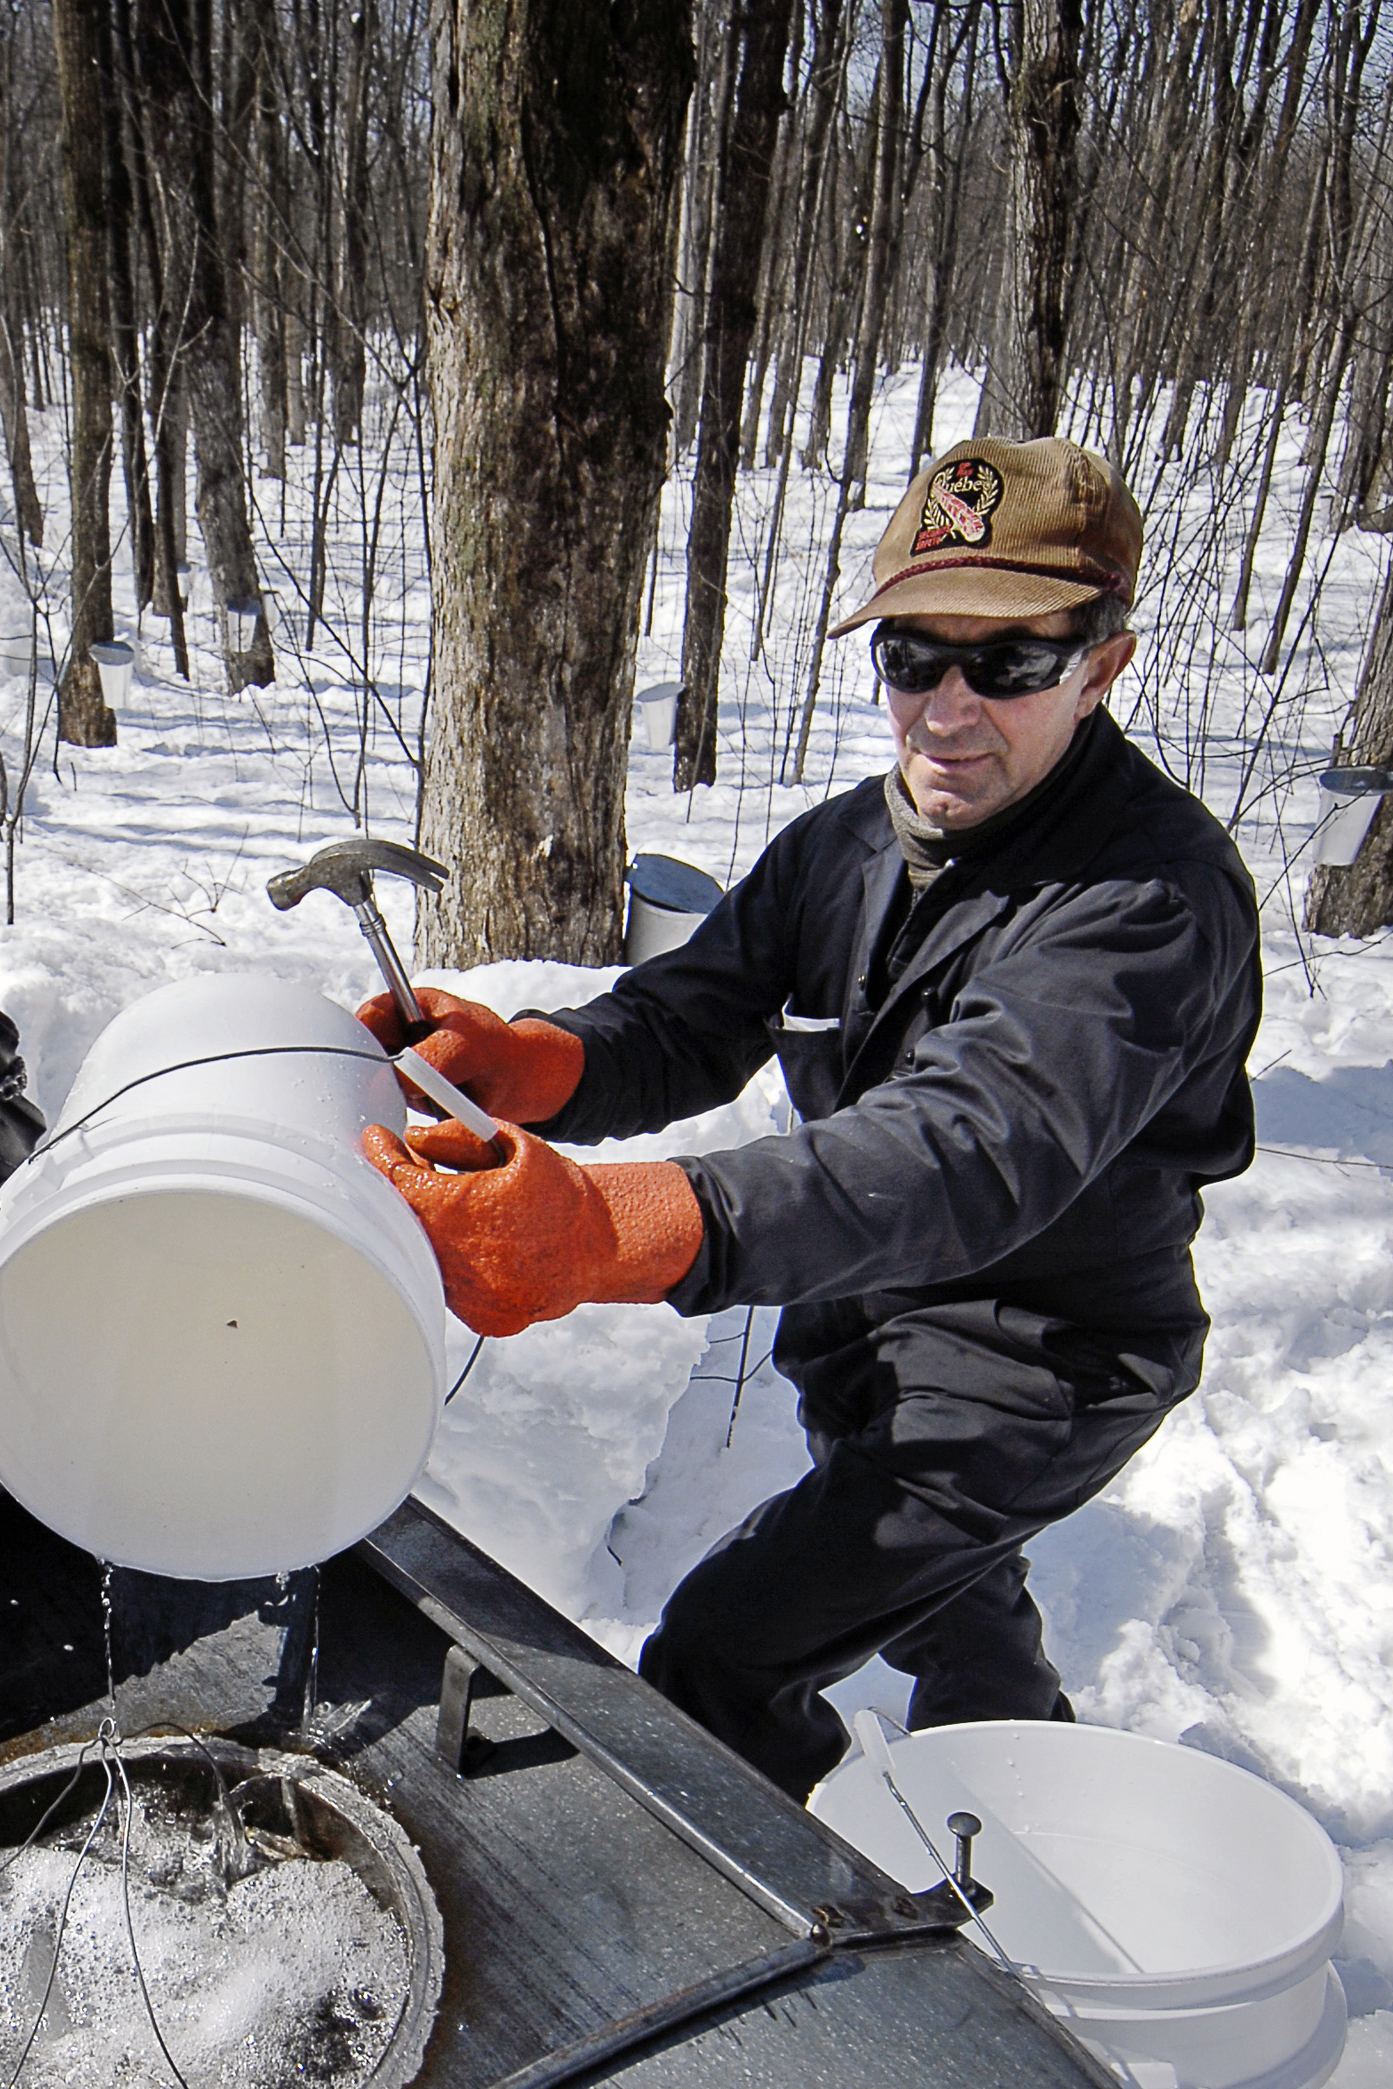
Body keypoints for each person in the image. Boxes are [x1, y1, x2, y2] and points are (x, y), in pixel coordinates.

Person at [361, 437, 1261, 1804]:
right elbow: (694, 1015)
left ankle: (843, 1955)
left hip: (1039, 1358)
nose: (948, 710)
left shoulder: (1146, 901)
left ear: (1102, 665)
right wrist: (535, 1060)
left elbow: (967, 1151)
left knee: (725, 1660)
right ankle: (1031, 1780)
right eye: (914, 655)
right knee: (940, 1587)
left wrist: (614, 1227)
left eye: (1009, 662)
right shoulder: (853, 842)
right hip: (863, 1313)